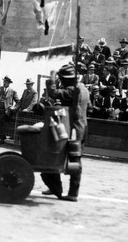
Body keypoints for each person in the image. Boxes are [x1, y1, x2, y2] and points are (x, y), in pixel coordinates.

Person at [41, 63, 90, 202]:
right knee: (59, 155)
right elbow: (89, 107)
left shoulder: (75, 90)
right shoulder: (84, 89)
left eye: (62, 79)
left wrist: (51, 78)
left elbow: (54, 93)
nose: (61, 81)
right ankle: (55, 187)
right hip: (81, 127)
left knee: (73, 161)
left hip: (73, 129)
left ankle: (73, 193)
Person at [0, 75, 19, 144]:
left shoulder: (12, 91)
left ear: (9, 83)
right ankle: (2, 136)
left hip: (5, 110)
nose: (4, 83)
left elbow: (18, 101)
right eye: (4, 81)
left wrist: (14, 107)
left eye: (6, 82)